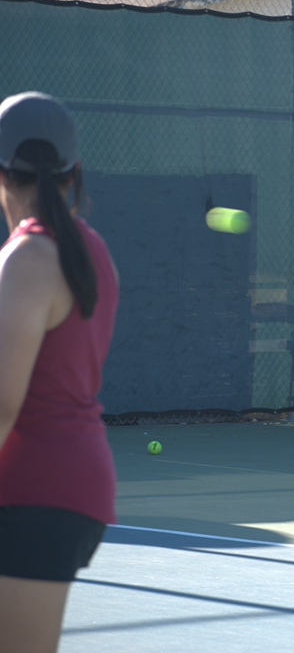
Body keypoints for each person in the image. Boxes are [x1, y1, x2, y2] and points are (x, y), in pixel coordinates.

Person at [0, 92, 120, 652]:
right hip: (69, 486)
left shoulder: (25, 259)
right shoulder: (91, 250)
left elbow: (3, 404)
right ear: (74, 170)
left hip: (35, 491)